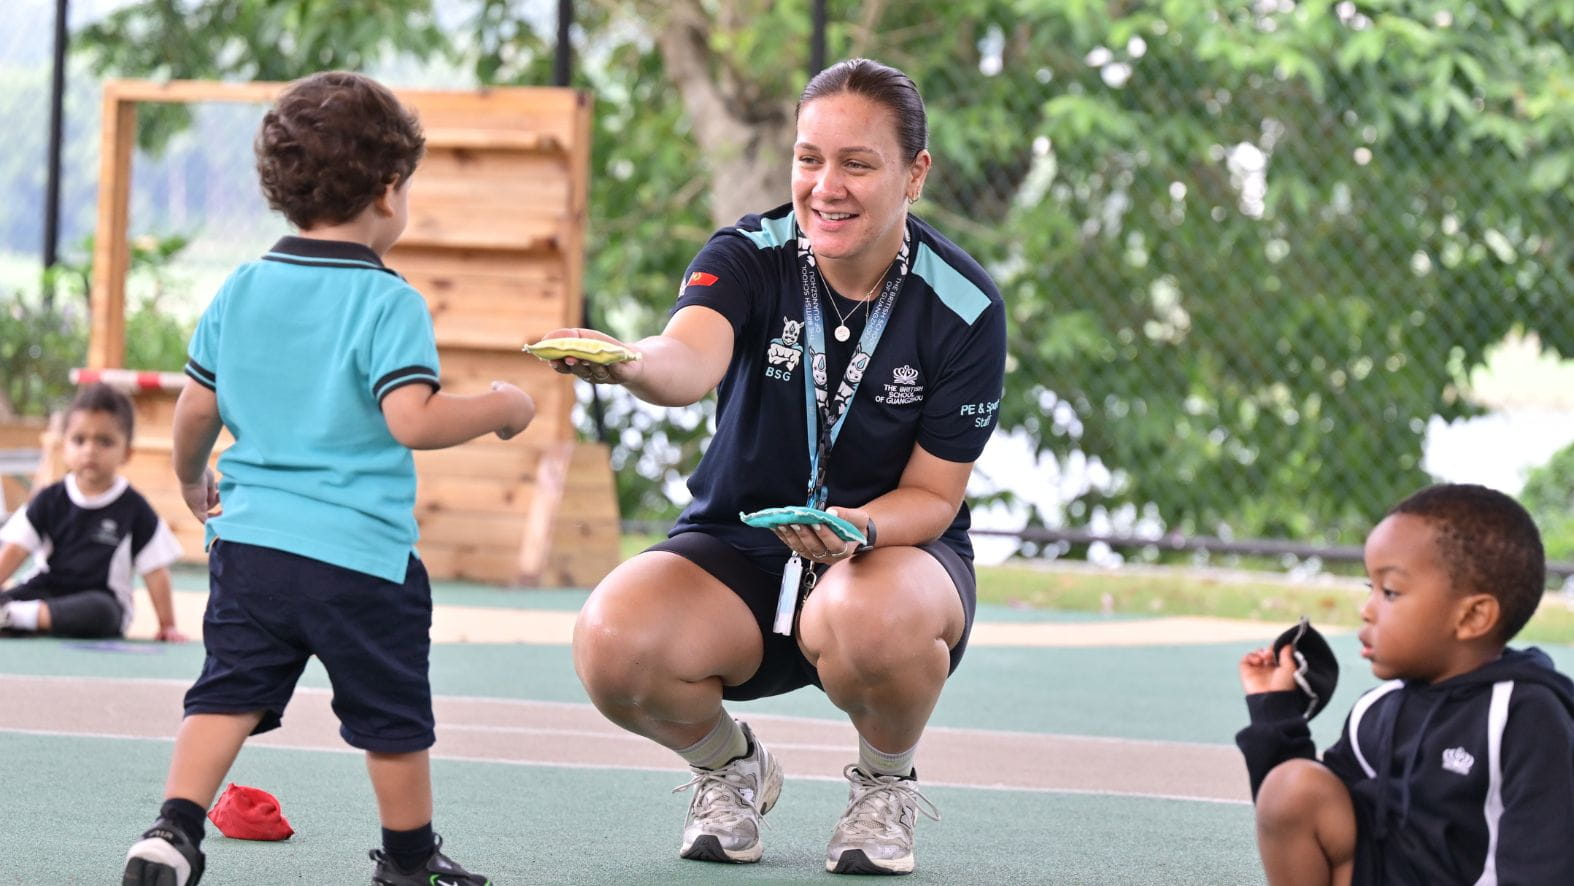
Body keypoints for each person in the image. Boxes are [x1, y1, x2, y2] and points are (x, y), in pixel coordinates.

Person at [544, 58, 1006, 876]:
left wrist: (858, 530)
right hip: (742, 552)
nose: (825, 186)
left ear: (915, 174)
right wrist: (632, 364)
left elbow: (935, 495)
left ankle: (884, 788)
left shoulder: (965, 306)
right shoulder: (748, 255)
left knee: (869, 617)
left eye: (857, 163)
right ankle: (731, 769)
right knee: (612, 640)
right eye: (809, 159)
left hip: (888, 558)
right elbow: (687, 359)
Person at [121, 71, 535, 886]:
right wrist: (499, 405)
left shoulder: (240, 287)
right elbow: (411, 419)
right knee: (392, 717)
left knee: (225, 694)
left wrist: (189, 479)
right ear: (388, 191)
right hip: (359, 562)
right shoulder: (388, 301)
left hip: (248, 547)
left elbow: (194, 412)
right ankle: (410, 862)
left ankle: (173, 829)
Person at [1237, 483, 1574, 885]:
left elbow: (1546, 863)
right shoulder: (1379, 708)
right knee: (1292, 786)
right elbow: (1291, 820)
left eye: (1391, 592)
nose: (1367, 610)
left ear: (1472, 617)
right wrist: (1275, 708)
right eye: (1370, 589)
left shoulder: (1526, 716)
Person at [0, 383, 184, 641]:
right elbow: (16, 549)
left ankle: (16, 617)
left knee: (103, 613)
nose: (90, 450)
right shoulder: (49, 499)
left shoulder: (135, 509)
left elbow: (155, 571)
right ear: (64, 447)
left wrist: (168, 625)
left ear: (126, 452)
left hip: (98, 600)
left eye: (105, 441)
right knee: (9, 598)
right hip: (43, 592)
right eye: (79, 440)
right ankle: (17, 614)